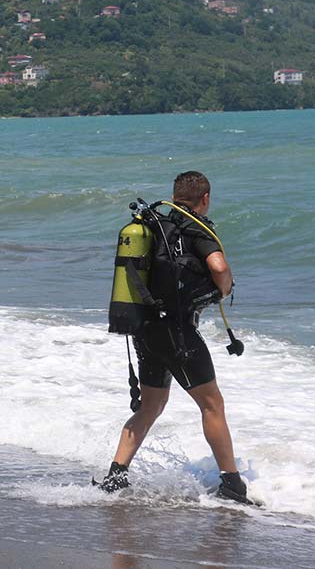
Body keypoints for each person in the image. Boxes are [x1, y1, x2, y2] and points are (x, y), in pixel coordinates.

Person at [98, 171, 252, 504]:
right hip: (177, 332)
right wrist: (225, 289)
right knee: (212, 404)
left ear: (175, 196)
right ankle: (232, 484)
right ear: (205, 198)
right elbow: (219, 267)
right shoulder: (196, 229)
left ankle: (115, 477)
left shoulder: (154, 226)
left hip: (145, 329)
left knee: (151, 405)